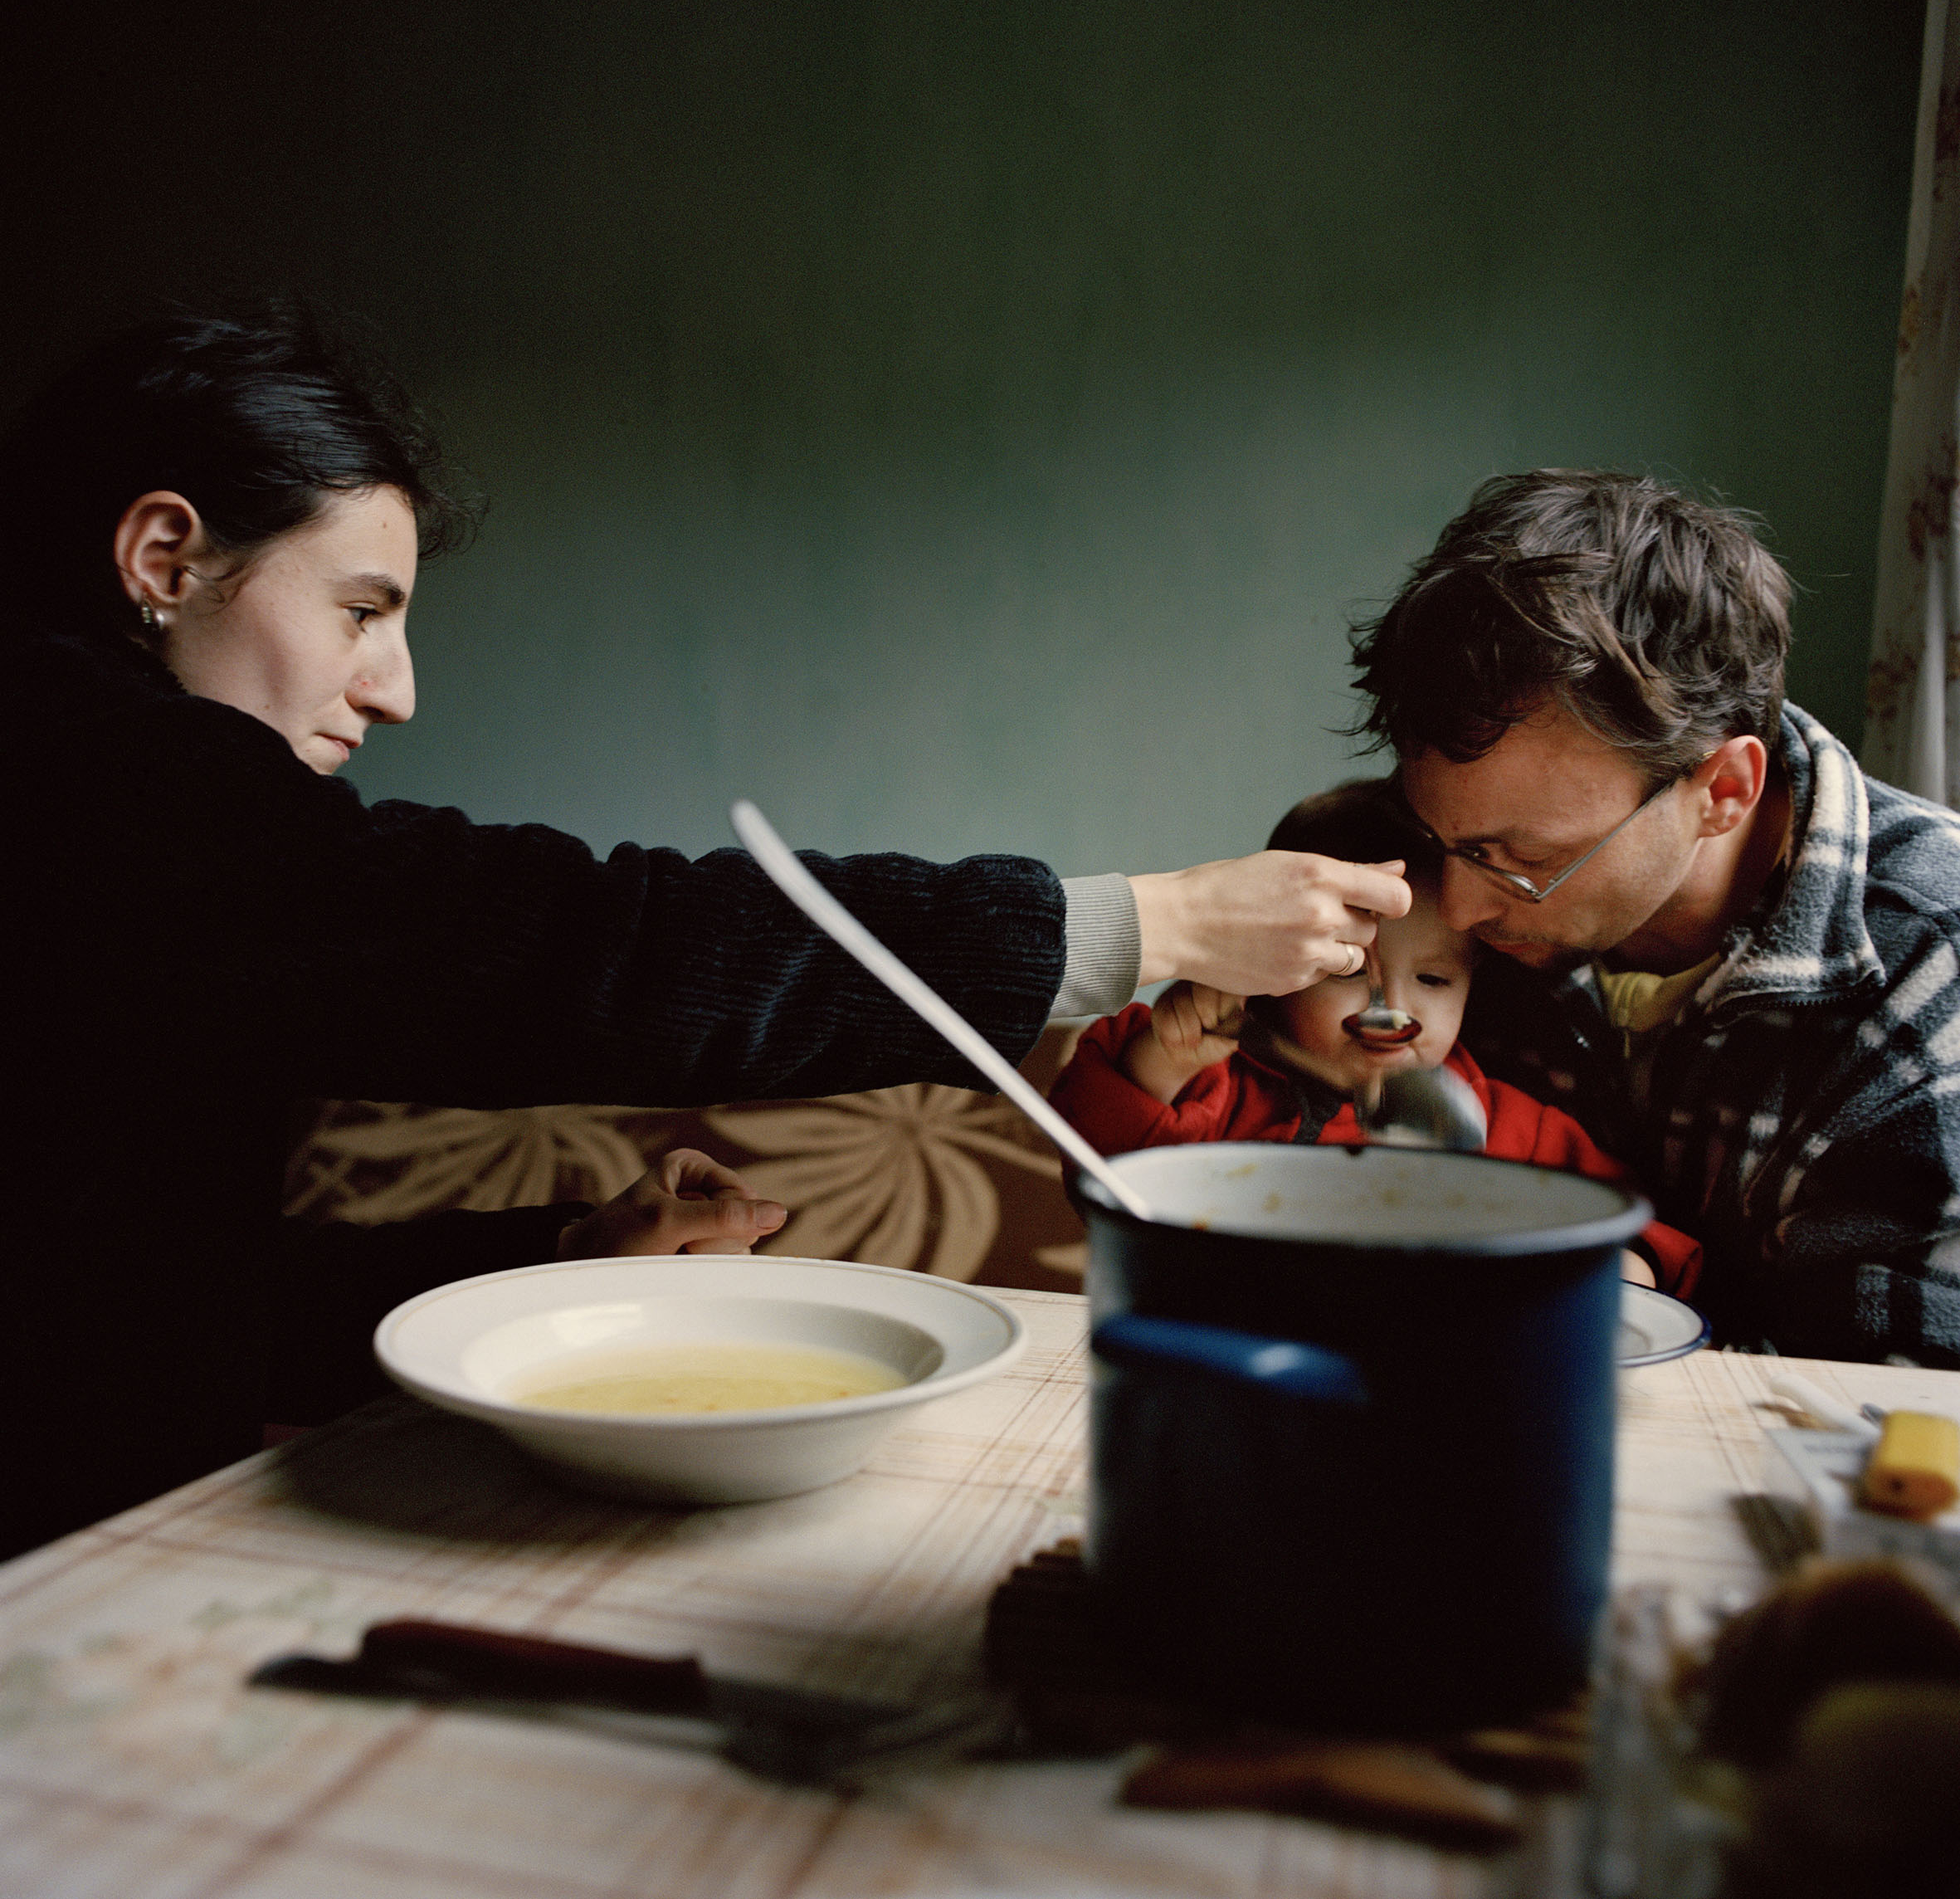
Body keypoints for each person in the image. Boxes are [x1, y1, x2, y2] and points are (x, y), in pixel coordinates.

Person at [1, 303, 1411, 1560]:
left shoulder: (123, 868)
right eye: (362, 609)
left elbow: (156, 1307)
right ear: (164, 555)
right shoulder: (74, 762)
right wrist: (1148, 919)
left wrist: (559, 1257)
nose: (396, 690)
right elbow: (578, 942)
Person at [1352, 468, 1960, 1364]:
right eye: (1446, 840)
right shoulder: (1431, 882)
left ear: (1722, 789)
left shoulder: (1929, 973)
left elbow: (1877, 1411)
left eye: (1521, 859)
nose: (1460, 907)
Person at [1050, 781, 1703, 1296]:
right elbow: (1108, 1173)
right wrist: (1165, 1059)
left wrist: (1629, 1267)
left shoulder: (1510, 1130)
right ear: (1277, 972)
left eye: (1434, 978)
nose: (1393, 1009)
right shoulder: (1223, 1090)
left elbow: (1637, 1229)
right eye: (1348, 969)